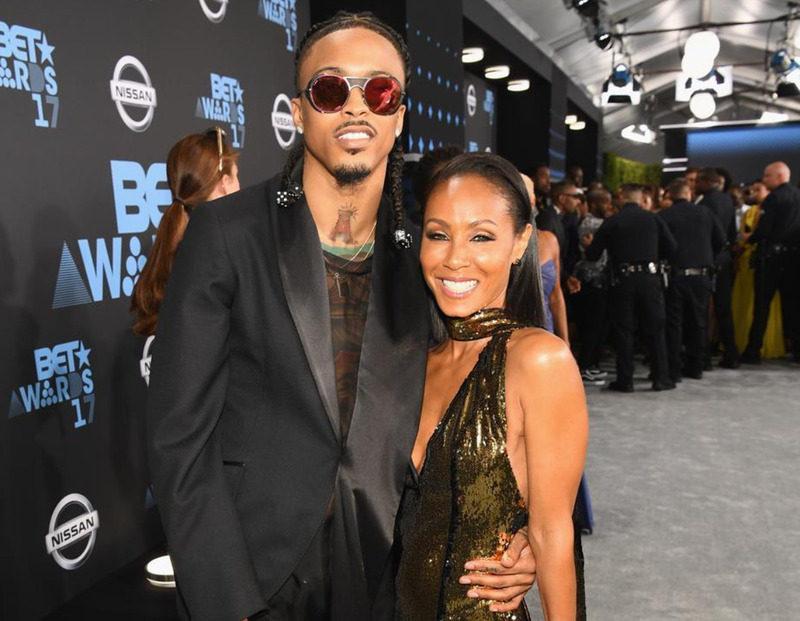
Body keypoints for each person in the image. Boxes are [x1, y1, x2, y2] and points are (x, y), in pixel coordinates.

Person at [146, 12, 534, 621]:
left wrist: (522, 532)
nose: (357, 106)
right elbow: (179, 437)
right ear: (299, 112)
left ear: (399, 115)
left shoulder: (428, 256)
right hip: (253, 571)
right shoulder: (226, 233)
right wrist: (226, 601)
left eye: (379, 91)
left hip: (393, 571)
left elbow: (485, 404)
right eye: (330, 89)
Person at [396, 152, 588, 621]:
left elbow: (553, 533)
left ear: (520, 243)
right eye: (438, 235)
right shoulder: (410, 363)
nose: (454, 258)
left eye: (481, 236)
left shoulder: (538, 360)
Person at [131, 127, 240, 340]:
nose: (240, 186)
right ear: (225, 183)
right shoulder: (221, 259)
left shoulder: (180, 251)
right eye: (236, 176)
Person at [585, 183, 677, 392]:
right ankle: (661, 378)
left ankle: (625, 380)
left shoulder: (612, 221)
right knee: (655, 329)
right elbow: (672, 248)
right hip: (650, 278)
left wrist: (590, 244)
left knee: (623, 330)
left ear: (621, 198)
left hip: (622, 280)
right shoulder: (654, 219)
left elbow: (592, 255)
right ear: (641, 198)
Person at [658, 178, 725, 381]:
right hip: (701, 275)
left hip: (675, 276)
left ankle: (673, 370)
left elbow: (660, 245)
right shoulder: (706, 213)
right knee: (699, 322)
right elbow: (721, 240)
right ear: (689, 194)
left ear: (670, 195)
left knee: (674, 324)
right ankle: (696, 366)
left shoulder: (664, 215)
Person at [742, 161, 800, 363]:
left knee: (762, 306)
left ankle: (753, 351)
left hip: (771, 259)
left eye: (768, 176)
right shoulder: (798, 196)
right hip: (794, 258)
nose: (764, 179)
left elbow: (764, 230)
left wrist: (749, 239)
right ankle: (797, 350)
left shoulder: (773, 199)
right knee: (793, 305)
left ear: (780, 176)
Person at [732, 180, 785, 358]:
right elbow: (741, 236)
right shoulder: (750, 211)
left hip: (765, 261)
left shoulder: (774, 212)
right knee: (745, 301)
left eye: (759, 190)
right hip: (746, 260)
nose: (754, 193)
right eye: (753, 190)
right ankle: (742, 341)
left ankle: (766, 344)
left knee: (761, 303)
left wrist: (749, 238)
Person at [697, 168, 740, 368]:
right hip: (724, 257)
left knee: (703, 309)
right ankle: (731, 354)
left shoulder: (705, 203)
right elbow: (732, 233)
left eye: (698, 181)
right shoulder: (728, 200)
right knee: (724, 308)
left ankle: (704, 357)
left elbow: (708, 234)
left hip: (709, 257)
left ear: (707, 182)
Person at [574, 189, 612, 383]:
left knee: (597, 326)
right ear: (595, 204)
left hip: (597, 280)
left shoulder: (599, 223)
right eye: (606, 203)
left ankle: (591, 365)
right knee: (592, 326)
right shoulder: (592, 224)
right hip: (591, 280)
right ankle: (585, 366)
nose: (609, 207)